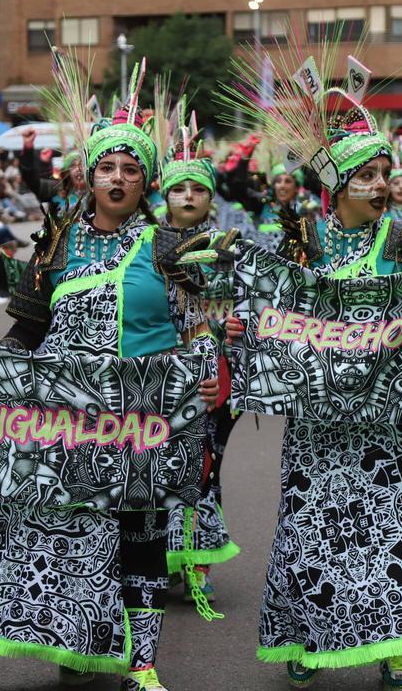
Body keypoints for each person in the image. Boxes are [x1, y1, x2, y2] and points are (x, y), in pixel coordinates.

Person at [0, 64, 219, 691]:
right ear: (88, 174)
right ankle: (76, 639)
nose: (117, 179)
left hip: (142, 416)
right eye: (107, 168)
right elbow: (27, 327)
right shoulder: (56, 244)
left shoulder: (170, 245)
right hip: (65, 418)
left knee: (140, 533)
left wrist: (207, 376)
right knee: (69, 530)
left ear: (147, 181)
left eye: (131, 170)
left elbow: (214, 320)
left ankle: (142, 662)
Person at [226, 100, 402, 691]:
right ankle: (308, 640)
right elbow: (268, 306)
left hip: (381, 421)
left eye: (384, 174)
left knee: (390, 531)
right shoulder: (302, 239)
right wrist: (243, 324)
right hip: (314, 423)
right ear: (335, 184)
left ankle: (396, 651)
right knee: (311, 531)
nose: (381, 185)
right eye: (366, 176)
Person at [157, 122, 242, 603]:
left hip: (218, 375)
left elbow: (256, 308)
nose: (188, 196)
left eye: (198, 188)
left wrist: (239, 328)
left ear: (212, 196)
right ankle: (164, 555)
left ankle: (198, 559)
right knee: (157, 463)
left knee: (206, 464)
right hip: (159, 372)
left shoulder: (231, 249)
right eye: (178, 188)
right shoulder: (145, 246)